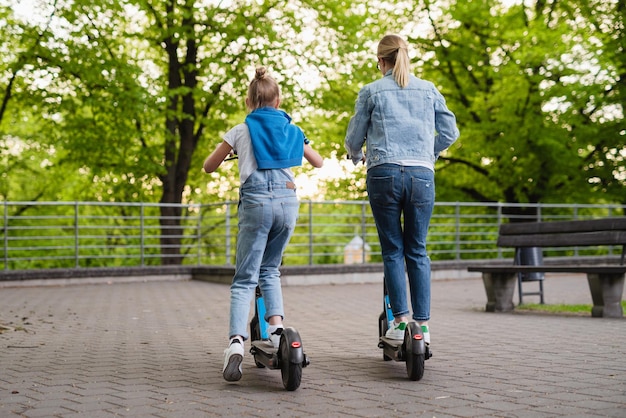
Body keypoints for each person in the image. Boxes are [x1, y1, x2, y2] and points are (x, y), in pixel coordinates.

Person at [203, 66, 323, 382]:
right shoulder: (291, 129)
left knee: (245, 277)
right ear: (278, 100)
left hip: (256, 203)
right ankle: (277, 330)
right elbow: (318, 161)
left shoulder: (241, 130)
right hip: (287, 202)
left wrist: (234, 152)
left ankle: (235, 344)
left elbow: (208, 166)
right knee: (270, 270)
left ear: (248, 101)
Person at [344, 34, 459, 347]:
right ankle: (422, 326)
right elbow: (450, 132)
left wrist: (356, 157)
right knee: (417, 249)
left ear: (381, 61)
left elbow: (354, 137)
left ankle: (400, 323)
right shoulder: (428, 89)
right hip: (422, 175)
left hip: (384, 172)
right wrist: (427, 153)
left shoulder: (371, 91)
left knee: (393, 250)